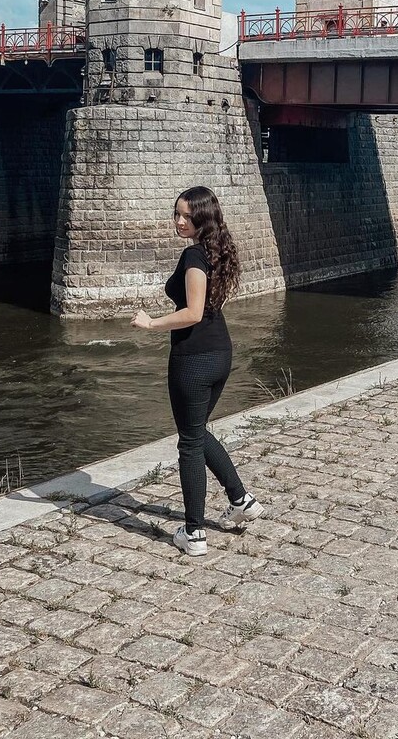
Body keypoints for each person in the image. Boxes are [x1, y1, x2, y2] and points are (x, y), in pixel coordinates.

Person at [131, 186, 263, 556]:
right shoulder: (217, 250)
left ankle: (194, 533)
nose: (178, 221)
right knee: (197, 432)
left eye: (186, 216)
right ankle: (241, 500)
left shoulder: (194, 255)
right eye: (176, 213)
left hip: (193, 358)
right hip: (220, 352)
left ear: (202, 219)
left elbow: (192, 312)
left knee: (189, 442)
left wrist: (151, 324)